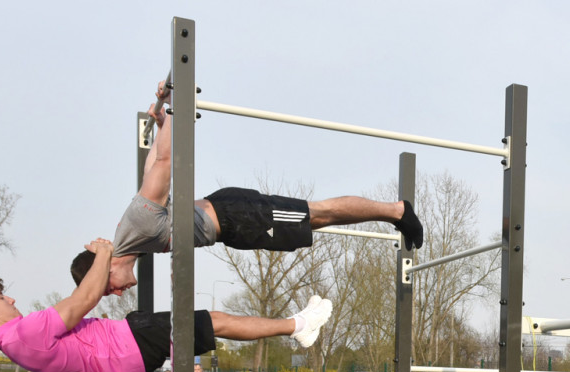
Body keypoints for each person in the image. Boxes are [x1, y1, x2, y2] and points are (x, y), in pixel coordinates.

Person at [70, 83, 424, 298]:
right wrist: (163, 120)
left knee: (319, 213)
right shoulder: (133, 238)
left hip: (236, 216)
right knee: (314, 220)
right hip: (233, 225)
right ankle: (394, 213)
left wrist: (176, 103)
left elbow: (162, 164)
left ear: (106, 268)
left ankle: (397, 211)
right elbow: (150, 171)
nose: (117, 291)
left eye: (108, 286)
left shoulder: (137, 229)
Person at [0, 238, 333, 372]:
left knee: (211, 319)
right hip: (127, 347)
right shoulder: (21, 334)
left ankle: (296, 325)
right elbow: (84, 299)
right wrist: (101, 253)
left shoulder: (15, 341)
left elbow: (81, 304)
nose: (10, 299)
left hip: (123, 349)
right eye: (0, 297)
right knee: (214, 321)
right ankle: (299, 326)